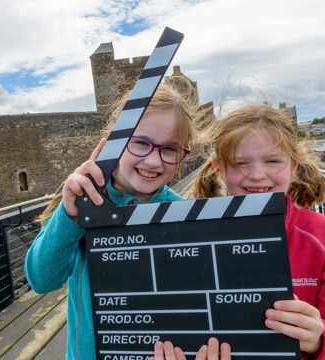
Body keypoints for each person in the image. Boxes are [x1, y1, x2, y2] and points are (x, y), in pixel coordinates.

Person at [24, 81, 206, 359]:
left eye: (170, 149)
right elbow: (41, 280)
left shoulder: (181, 212)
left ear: (183, 154)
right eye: (141, 143)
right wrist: (69, 217)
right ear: (114, 142)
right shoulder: (82, 199)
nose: (154, 162)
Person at [192, 103, 325, 359]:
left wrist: (319, 340)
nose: (257, 175)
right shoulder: (193, 239)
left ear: (293, 166)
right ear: (219, 169)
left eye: (273, 161)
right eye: (240, 163)